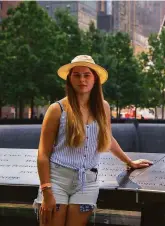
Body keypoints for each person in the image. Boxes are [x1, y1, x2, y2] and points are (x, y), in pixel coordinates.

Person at [33, 55, 152, 226]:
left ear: (95, 79)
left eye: (87, 75)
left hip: (87, 182)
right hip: (57, 179)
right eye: (77, 75)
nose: (82, 79)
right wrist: (46, 190)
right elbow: (43, 153)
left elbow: (107, 138)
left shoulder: (103, 107)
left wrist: (129, 162)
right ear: (70, 79)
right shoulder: (57, 109)